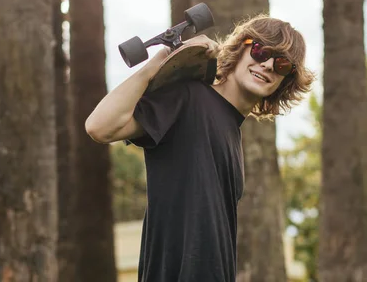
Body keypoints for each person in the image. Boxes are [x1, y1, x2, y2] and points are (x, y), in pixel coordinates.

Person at [85, 14, 315, 282]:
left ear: (286, 80)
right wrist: (158, 63)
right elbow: (99, 126)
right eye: (260, 50)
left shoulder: (232, 131)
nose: (266, 65)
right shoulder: (188, 97)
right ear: (241, 47)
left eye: (282, 64)